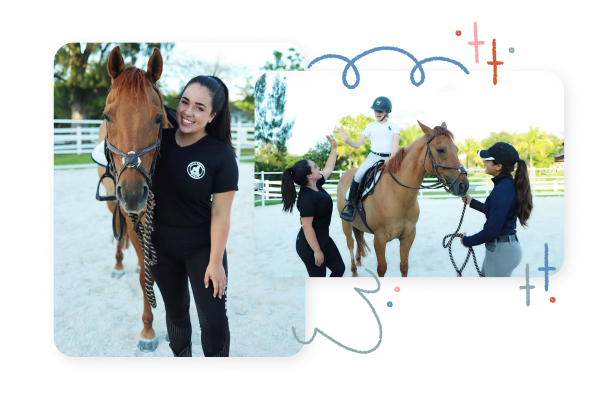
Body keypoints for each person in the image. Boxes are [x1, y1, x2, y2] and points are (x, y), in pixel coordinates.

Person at [149, 76, 238, 357]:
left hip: (202, 248)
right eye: (185, 102)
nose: (188, 112)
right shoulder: (156, 142)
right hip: (161, 247)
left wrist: (216, 262)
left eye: (200, 108)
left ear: (212, 116)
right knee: (176, 314)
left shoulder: (221, 155)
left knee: (213, 320)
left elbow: (222, 213)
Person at [460, 142, 533, 278]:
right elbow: (498, 212)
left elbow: (491, 231)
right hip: (502, 249)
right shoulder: (506, 185)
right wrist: (472, 203)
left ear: (498, 166)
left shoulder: (502, 189)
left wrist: (467, 241)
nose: (485, 162)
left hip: (501, 251)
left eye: (488, 160)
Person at [281, 136, 345, 278]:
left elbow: (329, 167)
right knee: (318, 280)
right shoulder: (306, 198)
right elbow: (306, 226)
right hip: (309, 245)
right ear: (309, 176)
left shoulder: (316, 185)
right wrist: (317, 250)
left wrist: (334, 148)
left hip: (323, 237)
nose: (319, 168)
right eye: (315, 167)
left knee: (339, 269)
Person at [339, 96, 400, 222]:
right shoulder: (370, 126)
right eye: (375, 110)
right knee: (358, 176)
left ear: (387, 112)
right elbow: (357, 144)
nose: (377, 113)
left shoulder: (394, 126)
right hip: (373, 157)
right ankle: (350, 207)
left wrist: (390, 159)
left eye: (380, 111)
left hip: (389, 158)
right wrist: (347, 140)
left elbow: (395, 147)